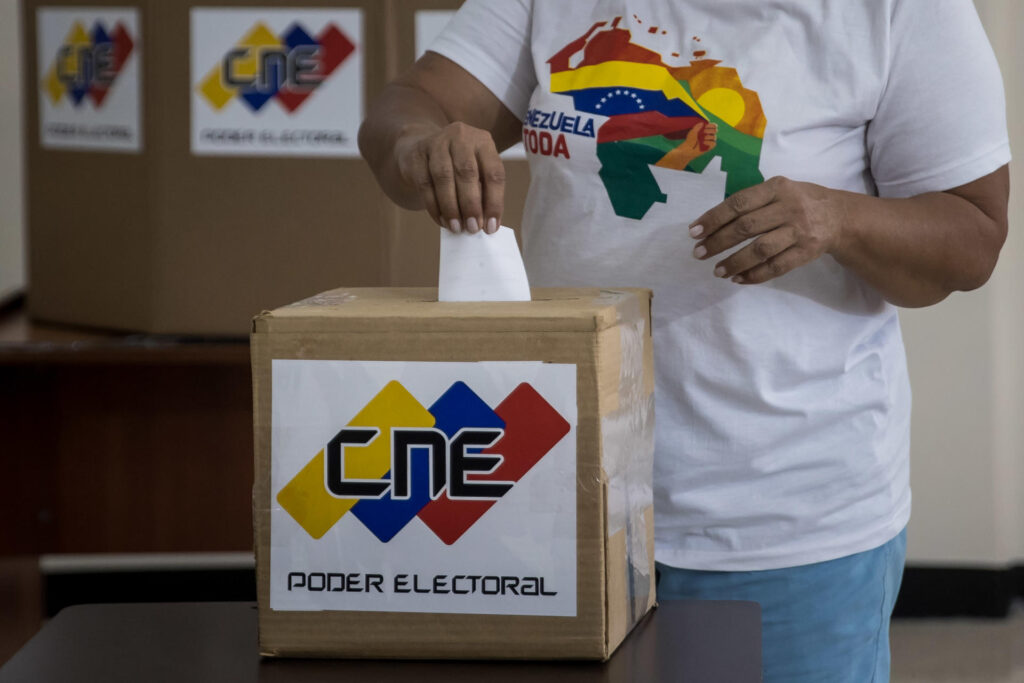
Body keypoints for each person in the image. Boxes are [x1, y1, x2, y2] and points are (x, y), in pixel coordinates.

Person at [358, 1, 1010, 680]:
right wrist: (421, 146)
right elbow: (411, 105)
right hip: (560, 485)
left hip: (785, 517)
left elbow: (972, 234)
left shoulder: (901, 11)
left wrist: (838, 218)